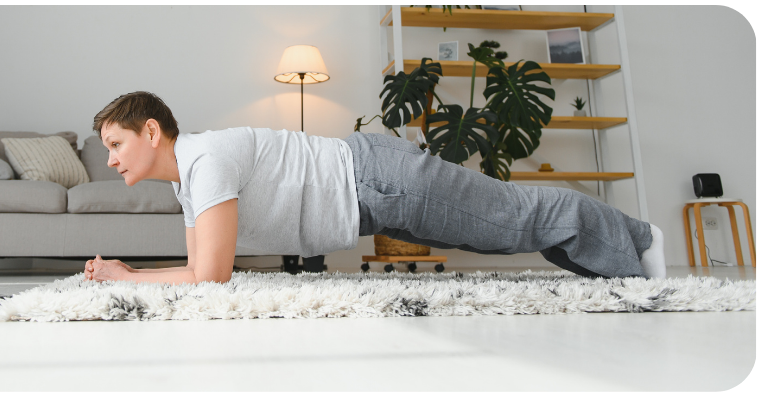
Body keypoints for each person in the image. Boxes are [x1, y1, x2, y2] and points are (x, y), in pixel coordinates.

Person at [83, 91, 666, 284]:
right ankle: (619, 270)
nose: (109, 159)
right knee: (497, 234)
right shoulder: (189, 181)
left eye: (115, 143)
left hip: (380, 181)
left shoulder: (205, 160)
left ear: (151, 131)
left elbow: (209, 277)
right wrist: (130, 274)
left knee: (513, 217)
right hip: (375, 196)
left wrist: (127, 277)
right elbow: (198, 272)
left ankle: (640, 241)